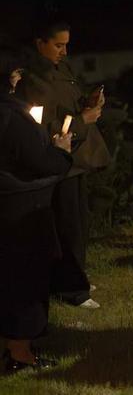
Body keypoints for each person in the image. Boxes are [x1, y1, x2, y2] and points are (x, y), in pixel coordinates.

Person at [15, 19, 109, 308]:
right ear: (40, 43)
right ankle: (72, 290)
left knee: (77, 223)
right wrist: (83, 121)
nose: (64, 51)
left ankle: (73, 278)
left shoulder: (61, 69)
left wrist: (88, 105)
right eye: (58, 45)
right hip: (59, 161)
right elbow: (40, 126)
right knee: (68, 227)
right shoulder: (33, 80)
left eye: (66, 45)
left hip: (75, 158)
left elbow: (66, 107)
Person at [1, 59, 73, 371]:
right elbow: (40, 162)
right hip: (22, 209)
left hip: (10, 206)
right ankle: (20, 354)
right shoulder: (11, 117)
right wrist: (61, 151)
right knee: (24, 280)